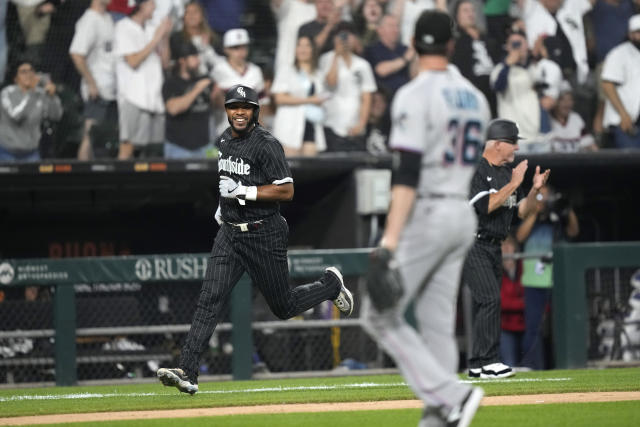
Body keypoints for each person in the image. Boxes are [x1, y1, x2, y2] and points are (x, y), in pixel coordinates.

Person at [156, 84, 354, 394]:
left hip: (264, 231)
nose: (239, 112)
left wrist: (246, 193)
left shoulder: (267, 144)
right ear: (227, 110)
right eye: (234, 106)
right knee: (209, 300)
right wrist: (225, 207)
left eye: (245, 107)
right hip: (231, 233)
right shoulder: (223, 139)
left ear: (255, 112)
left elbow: (287, 190)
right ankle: (188, 370)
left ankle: (330, 285)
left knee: (284, 307)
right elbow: (226, 182)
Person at [362, 11, 490, 427]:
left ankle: (454, 395)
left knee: (377, 314)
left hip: (430, 211)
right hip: (462, 211)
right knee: (436, 328)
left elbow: (407, 175)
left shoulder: (414, 94)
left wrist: (389, 242)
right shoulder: (476, 96)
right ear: (451, 45)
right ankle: (438, 419)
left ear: (413, 45)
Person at [463, 118, 550, 379]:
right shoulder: (475, 170)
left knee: (485, 303)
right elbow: (484, 206)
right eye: (513, 143)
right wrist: (514, 183)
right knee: (490, 299)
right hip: (473, 242)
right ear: (498, 144)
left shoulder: (507, 173)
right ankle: (490, 360)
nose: (516, 149)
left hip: (494, 246)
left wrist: (535, 190)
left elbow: (523, 210)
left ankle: (478, 363)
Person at [515, 184, 579, 369]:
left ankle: (567, 364)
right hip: (534, 280)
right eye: (539, 197)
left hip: (558, 279)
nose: (542, 201)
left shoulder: (557, 217)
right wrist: (535, 212)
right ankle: (532, 365)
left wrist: (566, 210)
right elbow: (519, 237)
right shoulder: (529, 214)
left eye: (545, 197)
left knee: (562, 324)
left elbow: (574, 232)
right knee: (533, 326)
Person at [113, 0, 172, 159]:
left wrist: (164, 37)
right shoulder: (123, 27)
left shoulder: (153, 28)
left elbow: (165, 63)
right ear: (140, 5)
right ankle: (117, 183)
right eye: (151, 3)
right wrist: (157, 37)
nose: (154, 7)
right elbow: (133, 61)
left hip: (154, 98)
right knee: (128, 147)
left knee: (153, 151)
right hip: (133, 98)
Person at [69, 0, 117, 161]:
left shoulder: (107, 18)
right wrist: (92, 84)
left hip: (111, 90)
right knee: (89, 137)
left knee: (103, 142)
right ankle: (81, 178)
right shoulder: (89, 20)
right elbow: (76, 54)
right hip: (97, 91)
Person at [320, 21, 377, 152]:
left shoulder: (363, 65)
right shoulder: (326, 59)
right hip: (331, 124)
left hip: (355, 126)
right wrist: (336, 55)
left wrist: (361, 124)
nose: (345, 39)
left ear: (355, 39)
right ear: (334, 38)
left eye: (349, 35)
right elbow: (331, 82)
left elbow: (367, 97)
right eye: (341, 36)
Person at [272, 34, 328, 156]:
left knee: (311, 170)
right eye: (299, 45)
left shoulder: (318, 74)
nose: (303, 49)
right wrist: (309, 100)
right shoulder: (286, 70)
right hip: (290, 126)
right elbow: (279, 98)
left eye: (307, 46)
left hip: (311, 125)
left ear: (313, 49)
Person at [162, 40, 218, 158]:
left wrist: (218, 93)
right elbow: (173, 109)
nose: (198, 61)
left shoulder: (204, 79)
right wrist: (197, 89)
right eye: (193, 57)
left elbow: (219, 105)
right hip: (178, 148)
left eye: (197, 56)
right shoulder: (171, 83)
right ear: (182, 60)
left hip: (205, 147)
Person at [0, 60, 63, 162]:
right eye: (23, 72)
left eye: (31, 71)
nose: (28, 75)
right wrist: (31, 92)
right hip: (7, 153)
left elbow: (56, 116)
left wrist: (53, 97)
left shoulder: (40, 94)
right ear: (16, 78)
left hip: (31, 153)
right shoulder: (7, 93)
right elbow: (17, 116)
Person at [211, 28, 265, 136]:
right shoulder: (218, 70)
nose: (241, 51)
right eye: (235, 48)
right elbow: (213, 103)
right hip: (224, 132)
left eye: (244, 47)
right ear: (226, 49)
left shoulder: (256, 71)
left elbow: (263, 104)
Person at [450, 0, 499, 117]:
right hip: (474, 91)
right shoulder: (457, 44)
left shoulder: (489, 40)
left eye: (472, 10)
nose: (470, 14)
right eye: (465, 11)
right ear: (457, 16)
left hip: (494, 89)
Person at [601, 14, 640, 149]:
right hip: (625, 124)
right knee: (631, 167)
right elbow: (607, 84)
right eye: (638, 32)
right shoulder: (619, 53)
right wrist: (623, 115)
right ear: (630, 34)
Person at [364, 14, 416, 97]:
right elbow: (381, 70)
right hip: (385, 98)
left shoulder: (404, 49)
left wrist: (415, 52)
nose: (395, 30)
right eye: (391, 26)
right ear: (380, 30)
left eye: (397, 26)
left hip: (406, 96)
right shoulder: (372, 49)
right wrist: (405, 59)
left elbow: (414, 75)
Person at [499, 235, 526, 368]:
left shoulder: (524, 267)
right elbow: (502, 302)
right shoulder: (495, 270)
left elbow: (533, 298)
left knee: (532, 367)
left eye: (509, 245)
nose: (506, 248)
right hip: (505, 326)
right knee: (509, 365)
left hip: (525, 324)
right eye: (503, 245)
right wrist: (523, 303)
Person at [549, 87, 598, 152]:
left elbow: (590, 144)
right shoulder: (547, 120)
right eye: (563, 100)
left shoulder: (576, 118)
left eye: (570, 100)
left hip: (576, 160)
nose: (567, 103)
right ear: (555, 102)